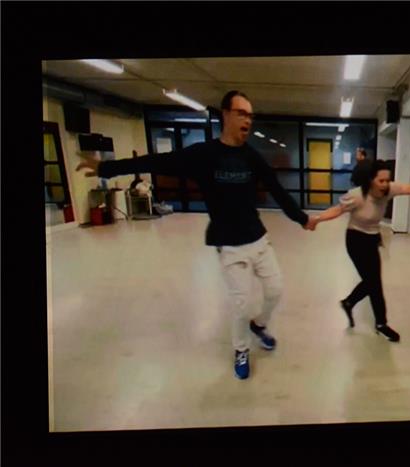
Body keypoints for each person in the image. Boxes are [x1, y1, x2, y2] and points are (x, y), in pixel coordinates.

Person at [76, 90, 315, 380]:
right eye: (241, 113)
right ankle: (241, 349)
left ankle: (259, 325)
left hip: (258, 238)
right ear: (226, 115)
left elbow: (277, 189)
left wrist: (302, 219)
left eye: (250, 115)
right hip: (229, 244)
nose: (248, 120)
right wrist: (106, 167)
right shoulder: (204, 155)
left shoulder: (252, 157)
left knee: (275, 290)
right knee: (241, 305)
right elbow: (157, 161)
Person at [307, 159, 410, 342]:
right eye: (381, 181)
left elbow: (408, 188)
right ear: (371, 180)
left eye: (388, 180)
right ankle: (381, 324)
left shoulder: (389, 189)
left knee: (372, 281)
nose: (385, 184)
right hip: (355, 240)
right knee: (374, 283)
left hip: (372, 239)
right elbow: (337, 210)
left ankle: (348, 302)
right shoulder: (357, 196)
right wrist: (317, 219)